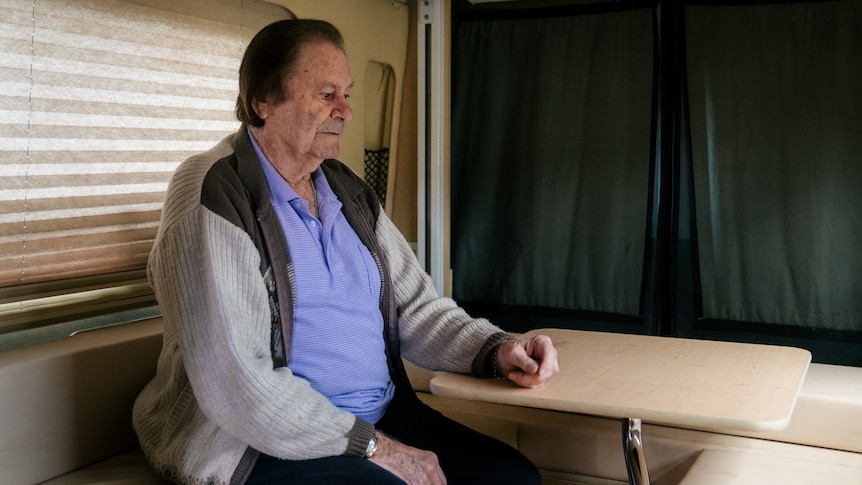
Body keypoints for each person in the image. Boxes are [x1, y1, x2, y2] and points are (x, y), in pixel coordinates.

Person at [133, 18, 559, 485]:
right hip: (256, 444)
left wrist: (498, 350)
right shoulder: (213, 192)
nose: (346, 111)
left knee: (514, 478)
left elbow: (417, 309)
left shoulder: (347, 190)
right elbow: (240, 388)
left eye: (347, 94)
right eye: (326, 94)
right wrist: (374, 447)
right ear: (263, 101)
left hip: (379, 417)